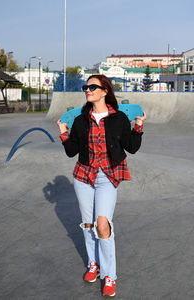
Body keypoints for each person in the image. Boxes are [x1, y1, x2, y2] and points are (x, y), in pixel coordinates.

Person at [57, 75, 146, 297]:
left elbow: (132, 147)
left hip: (108, 176)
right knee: (88, 224)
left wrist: (139, 126)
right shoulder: (81, 120)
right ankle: (93, 264)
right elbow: (71, 152)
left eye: (93, 87)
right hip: (84, 175)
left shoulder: (118, 118)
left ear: (105, 91)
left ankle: (109, 275)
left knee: (102, 224)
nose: (88, 90)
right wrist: (63, 132)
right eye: (86, 87)